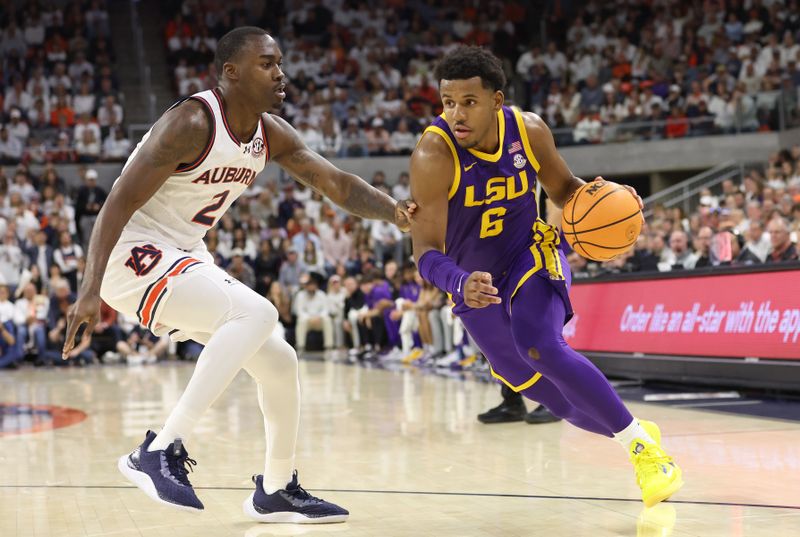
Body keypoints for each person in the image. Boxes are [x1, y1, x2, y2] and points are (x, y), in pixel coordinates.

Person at [62, 27, 414, 523]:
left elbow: (336, 183)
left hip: (182, 253)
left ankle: (275, 489)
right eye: (267, 64)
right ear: (231, 72)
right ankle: (158, 450)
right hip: (133, 253)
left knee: (279, 359)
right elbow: (116, 202)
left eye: (280, 63)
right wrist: (89, 290)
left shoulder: (271, 132)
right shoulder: (190, 121)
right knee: (257, 311)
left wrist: (397, 213)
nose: (280, 73)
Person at [408, 46, 682, 508]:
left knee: (540, 343)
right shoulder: (433, 154)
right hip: (474, 284)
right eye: (448, 101)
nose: (456, 113)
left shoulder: (527, 130)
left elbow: (566, 190)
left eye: (469, 102)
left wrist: (611, 199)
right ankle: (634, 431)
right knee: (561, 402)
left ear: (496, 101)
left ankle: (646, 454)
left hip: (529, 255)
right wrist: (458, 282)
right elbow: (424, 252)